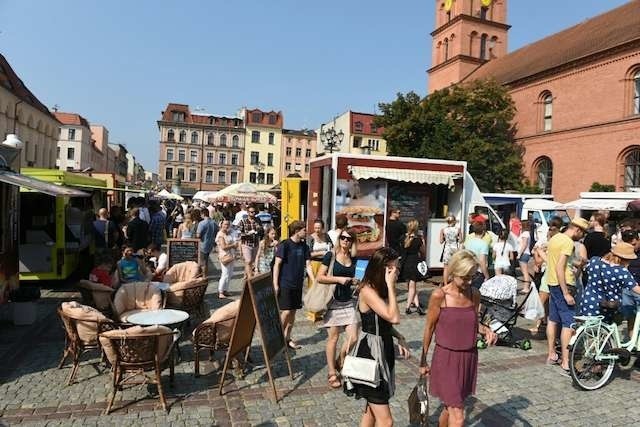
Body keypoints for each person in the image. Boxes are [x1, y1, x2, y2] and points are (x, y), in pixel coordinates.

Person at [420, 250, 497, 426]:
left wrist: (486, 330)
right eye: (464, 277)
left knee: (450, 407)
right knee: (458, 415)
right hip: (446, 359)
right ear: (454, 272)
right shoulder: (440, 295)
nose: (468, 282)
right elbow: (429, 328)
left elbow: (473, 323)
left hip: (468, 357)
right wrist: (423, 361)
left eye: (472, 276)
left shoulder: (474, 294)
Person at [349, 247, 410, 427]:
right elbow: (394, 317)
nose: (397, 272)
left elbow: (386, 324)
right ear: (383, 269)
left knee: (370, 412)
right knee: (386, 420)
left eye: (397, 268)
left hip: (384, 350)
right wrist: (391, 285)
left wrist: (399, 337)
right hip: (371, 353)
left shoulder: (380, 289)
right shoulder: (367, 290)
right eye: (393, 269)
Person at [316, 228, 359, 389]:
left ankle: (340, 360)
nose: (345, 241)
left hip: (349, 302)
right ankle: (332, 371)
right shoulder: (331, 255)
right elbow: (320, 277)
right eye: (343, 238)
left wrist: (356, 282)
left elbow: (357, 278)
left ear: (352, 242)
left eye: (349, 239)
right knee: (333, 338)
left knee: (353, 338)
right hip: (333, 302)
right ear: (339, 239)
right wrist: (339, 279)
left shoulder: (354, 259)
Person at [545, 217, 589, 374]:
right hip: (564, 284)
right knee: (568, 323)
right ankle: (565, 360)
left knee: (553, 319)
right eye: (582, 233)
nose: (581, 237)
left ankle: (551, 354)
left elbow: (559, 262)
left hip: (551, 282)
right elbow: (560, 267)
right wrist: (566, 292)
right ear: (577, 230)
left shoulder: (555, 238)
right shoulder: (568, 242)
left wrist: (578, 265)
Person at [273, 220, 314, 350]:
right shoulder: (285, 245)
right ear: (297, 231)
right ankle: (276, 338)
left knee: (293, 313)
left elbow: (308, 265)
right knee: (286, 312)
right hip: (285, 283)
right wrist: (275, 284)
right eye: (304, 230)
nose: (306, 232)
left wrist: (314, 281)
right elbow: (277, 265)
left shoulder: (304, 246)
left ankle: (287, 338)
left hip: (298, 284)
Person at [579, 242, 640, 323]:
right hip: (609, 306)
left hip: (589, 302)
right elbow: (635, 289)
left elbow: (584, 267)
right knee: (610, 329)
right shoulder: (621, 271)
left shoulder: (594, 261)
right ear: (624, 259)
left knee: (591, 331)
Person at [307, 219, 333, 321]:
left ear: (323, 228)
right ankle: (312, 312)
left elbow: (332, 248)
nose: (317, 230)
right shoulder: (311, 238)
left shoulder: (326, 236)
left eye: (319, 228)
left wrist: (328, 253)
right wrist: (321, 253)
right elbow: (308, 254)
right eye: (315, 228)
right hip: (314, 263)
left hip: (324, 264)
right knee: (313, 286)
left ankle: (320, 310)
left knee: (323, 288)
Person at [400, 219, 426, 315]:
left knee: (411, 286)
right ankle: (407, 307)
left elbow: (401, 249)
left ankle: (418, 306)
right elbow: (423, 252)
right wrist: (423, 241)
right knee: (412, 287)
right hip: (414, 262)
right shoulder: (418, 239)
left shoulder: (403, 238)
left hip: (405, 263)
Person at [463, 220, 490, 288]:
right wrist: (487, 276)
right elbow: (482, 262)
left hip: (467, 270)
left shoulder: (468, 242)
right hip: (478, 272)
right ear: (483, 231)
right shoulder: (484, 244)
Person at [239, 205, 264, 278]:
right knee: (248, 261)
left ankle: (245, 273)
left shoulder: (258, 220)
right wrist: (247, 233)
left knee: (252, 261)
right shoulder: (243, 221)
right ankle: (250, 277)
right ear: (248, 212)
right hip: (246, 243)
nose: (253, 213)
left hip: (255, 243)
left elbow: (262, 231)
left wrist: (259, 230)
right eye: (251, 212)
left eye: (254, 212)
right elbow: (239, 233)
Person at [216, 219, 239, 299]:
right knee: (225, 274)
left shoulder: (229, 233)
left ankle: (225, 290)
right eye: (225, 224)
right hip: (224, 256)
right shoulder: (220, 234)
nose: (227, 226)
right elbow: (223, 247)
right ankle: (220, 291)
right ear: (221, 225)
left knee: (230, 274)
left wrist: (235, 246)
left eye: (228, 224)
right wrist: (233, 245)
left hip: (231, 255)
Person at [197, 208, 218, 277]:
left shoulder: (202, 223)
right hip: (210, 243)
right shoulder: (214, 222)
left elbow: (198, 235)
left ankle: (204, 276)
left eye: (201, 215)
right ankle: (205, 274)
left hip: (203, 244)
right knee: (206, 260)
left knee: (203, 261)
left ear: (203, 214)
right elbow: (216, 232)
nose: (200, 216)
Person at [440, 215, 461, 284]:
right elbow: (461, 240)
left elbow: (441, 241)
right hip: (455, 248)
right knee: (455, 266)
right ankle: (453, 282)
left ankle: (445, 283)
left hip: (447, 248)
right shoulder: (458, 229)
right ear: (454, 221)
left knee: (446, 267)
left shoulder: (443, 229)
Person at [517, 220, 532, 292]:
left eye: (520, 224)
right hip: (524, 253)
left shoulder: (525, 233)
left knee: (525, 272)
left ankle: (526, 287)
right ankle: (526, 287)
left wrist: (519, 254)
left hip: (524, 254)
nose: (519, 225)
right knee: (524, 271)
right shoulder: (524, 233)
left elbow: (524, 244)